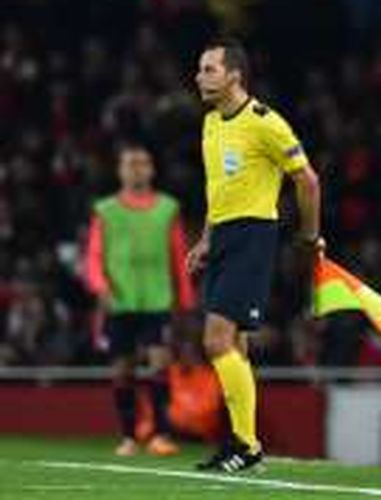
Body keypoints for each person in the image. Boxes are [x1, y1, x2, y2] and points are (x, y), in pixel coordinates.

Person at [189, 37, 323, 472]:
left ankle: (246, 446)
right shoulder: (211, 123)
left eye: (209, 69)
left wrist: (309, 236)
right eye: (200, 69)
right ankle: (244, 444)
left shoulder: (266, 122)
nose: (200, 76)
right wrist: (206, 239)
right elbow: (217, 190)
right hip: (224, 236)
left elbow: (308, 180)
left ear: (234, 75)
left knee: (215, 340)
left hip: (253, 235)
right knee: (236, 348)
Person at [85, 143, 196, 456]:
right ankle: (129, 437)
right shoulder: (105, 210)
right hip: (120, 301)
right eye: (131, 163)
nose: (137, 169)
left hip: (157, 299)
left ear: (152, 169)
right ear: (120, 171)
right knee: (123, 369)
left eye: (143, 163)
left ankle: (161, 434)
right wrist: (100, 286)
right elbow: (93, 254)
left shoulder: (168, 208)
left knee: (160, 362)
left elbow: (178, 255)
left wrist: (186, 299)